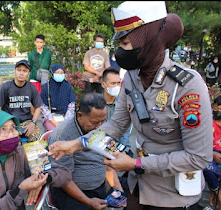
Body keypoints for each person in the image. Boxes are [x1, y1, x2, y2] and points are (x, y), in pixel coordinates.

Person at [48, 1, 213, 209]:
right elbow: (115, 125)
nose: (121, 51)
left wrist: (136, 164)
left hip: (171, 196)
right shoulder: (132, 78)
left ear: (150, 39)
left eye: (126, 44)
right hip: (137, 189)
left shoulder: (188, 85)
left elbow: (198, 157)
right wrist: (76, 144)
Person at [0, 110, 72, 209]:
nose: (13, 134)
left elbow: (64, 174)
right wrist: (20, 190)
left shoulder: (22, 153)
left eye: (13, 128)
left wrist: (41, 179)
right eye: (3, 129)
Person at [48, 92, 125, 210]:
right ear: (79, 115)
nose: (99, 127)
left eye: (103, 121)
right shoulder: (62, 136)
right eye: (94, 122)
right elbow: (64, 179)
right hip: (71, 193)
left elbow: (109, 164)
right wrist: (88, 201)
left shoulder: (104, 129)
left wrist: (118, 191)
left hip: (99, 187)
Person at [0, 59, 43, 142]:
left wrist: (33, 122)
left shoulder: (31, 88)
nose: (21, 73)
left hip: (26, 122)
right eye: (19, 70)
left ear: (28, 73)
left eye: (24, 71)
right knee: (12, 141)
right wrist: (2, 124)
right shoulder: (5, 87)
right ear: (15, 71)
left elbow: (38, 107)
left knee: (37, 138)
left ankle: (30, 155)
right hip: (9, 121)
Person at [101, 67, 132, 152]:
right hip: (98, 148)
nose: (116, 86)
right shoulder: (95, 104)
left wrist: (124, 151)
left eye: (118, 83)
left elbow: (125, 133)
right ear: (103, 84)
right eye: (113, 83)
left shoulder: (123, 105)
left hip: (119, 149)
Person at [40, 63, 77, 132]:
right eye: (57, 72)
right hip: (50, 118)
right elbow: (43, 107)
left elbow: (71, 106)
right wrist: (55, 122)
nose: (60, 74)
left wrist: (65, 121)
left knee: (69, 131)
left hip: (65, 117)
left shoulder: (67, 86)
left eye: (62, 73)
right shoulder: (46, 87)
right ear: (52, 73)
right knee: (55, 132)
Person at [203, 95, 221, 209]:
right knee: (206, 167)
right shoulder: (209, 124)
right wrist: (212, 153)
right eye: (217, 107)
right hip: (211, 152)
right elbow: (202, 143)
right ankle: (215, 190)